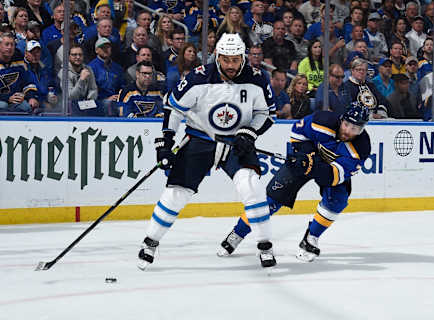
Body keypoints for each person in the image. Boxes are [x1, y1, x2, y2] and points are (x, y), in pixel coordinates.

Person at [137, 33, 277, 270]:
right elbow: (174, 108)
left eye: (235, 59)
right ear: (218, 56)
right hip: (200, 140)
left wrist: (250, 133)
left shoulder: (257, 78)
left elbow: (267, 114)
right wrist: (166, 141)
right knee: (177, 192)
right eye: (226, 59)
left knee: (251, 186)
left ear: (242, 57)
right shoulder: (198, 77)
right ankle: (150, 242)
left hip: (236, 143)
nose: (231, 65)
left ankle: (265, 246)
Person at [217, 102, 371, 263]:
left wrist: (313, 166)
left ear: (362, 129)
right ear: (342, 119)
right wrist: (306, 154)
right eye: (347, 125)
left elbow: (335, 176)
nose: (348, 131)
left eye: (355, 129)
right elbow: (297, 132)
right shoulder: (322, 120)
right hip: (303, 162)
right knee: (271, 200)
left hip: (328, 170)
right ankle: (237, 233)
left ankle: (311, 238)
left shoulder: (361, 147)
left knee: (337, 200)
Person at [0, 33, 38, 113]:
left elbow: (28, 82)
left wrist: (31, 97)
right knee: (3, 105)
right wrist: (7, 98)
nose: (10, 47)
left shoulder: (19, 60)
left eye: (12, 45)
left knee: (26, 107)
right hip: (2, 100)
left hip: (16, 100)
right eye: (6, 44)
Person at [88, 37, 125, 116]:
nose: (105, 49)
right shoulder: (91, 67)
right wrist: (106, 99)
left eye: (108, 47)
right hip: (97, 103)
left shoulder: (117, 68)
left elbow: (122, 86)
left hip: (115, 102)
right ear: (96, 50)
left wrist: (119, 96)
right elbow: (90, 91)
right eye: (102, 47)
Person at [58, 44, 99, 116]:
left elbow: (93, 89)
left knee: (106, 104)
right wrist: (81, 80)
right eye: (74, 55)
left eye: (80, 55)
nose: (78, 57)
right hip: (69, 108)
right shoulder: (64, 72)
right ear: (69, 57)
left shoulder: (88, 69)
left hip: (87, 105)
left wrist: (89, 102)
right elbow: (71, 97)